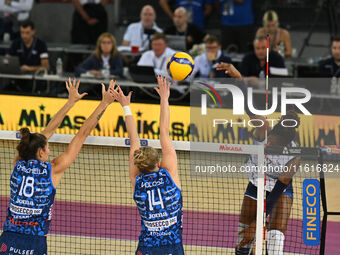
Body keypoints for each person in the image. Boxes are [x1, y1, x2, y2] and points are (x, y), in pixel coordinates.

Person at [0, 78, 116, 255]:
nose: (49, 149)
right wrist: (104, 103)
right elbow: (81, 134)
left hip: (8, 237)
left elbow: (46, 133)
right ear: (40, 152)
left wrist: (71, 102)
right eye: (47, 148)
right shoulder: (52, 169)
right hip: (35, 241)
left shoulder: (18, 163)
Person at [216, 63, 301, 255]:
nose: (269, 145)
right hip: (256, 183)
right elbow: (248, 106)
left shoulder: (294, 155)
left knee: (276, 238)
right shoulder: (263, 131)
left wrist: (260, 220)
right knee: (244, 237)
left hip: (280, 190)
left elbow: (280, 186)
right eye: (269, 140)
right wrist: (239, 79)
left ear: (286, 144)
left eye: (274, 144)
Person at [112, 76, 183, 255]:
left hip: (147, 247)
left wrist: (125, 106)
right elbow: (164, 132)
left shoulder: (137, 180)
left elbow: (133, 139)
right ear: (158, 163)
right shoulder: (169, 176)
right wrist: (164, 98)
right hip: (172, 247)